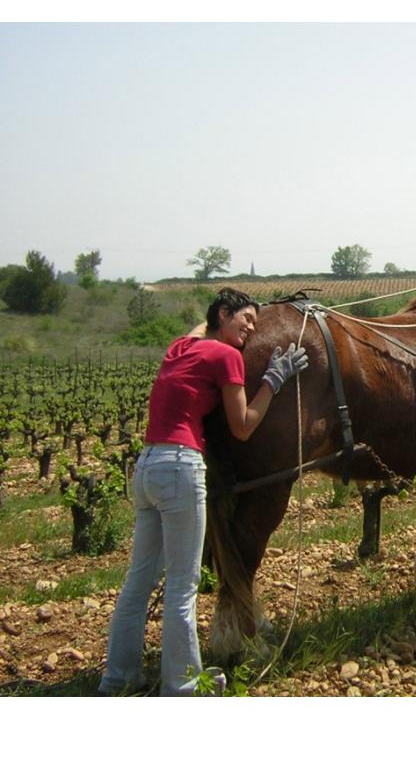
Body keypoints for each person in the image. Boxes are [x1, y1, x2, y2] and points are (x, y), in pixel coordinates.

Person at [98, 288, 306, 696]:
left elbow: (200, 327)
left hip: (146, 468)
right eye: (244, 319)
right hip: (180, 468)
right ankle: (184, 686)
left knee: (138, 582)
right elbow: (243, 426)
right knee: (182, 584)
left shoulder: (182, 346)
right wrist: (272, 381)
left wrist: (223, 319)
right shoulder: (226, 357)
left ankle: (117, 677)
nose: (250, 330)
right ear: (223, 314)